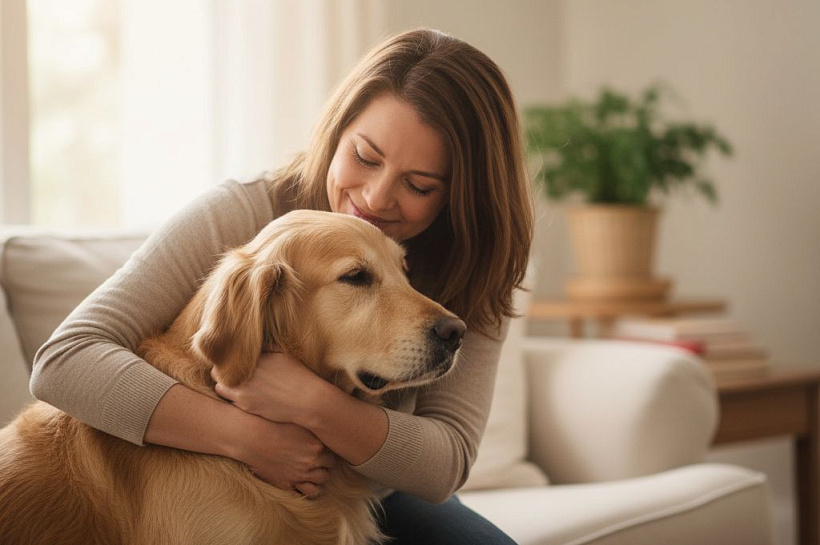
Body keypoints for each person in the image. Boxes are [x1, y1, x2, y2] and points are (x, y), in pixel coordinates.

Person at [30, 28, 534, 544]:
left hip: (369, 484)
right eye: (364, 156)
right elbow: (64, 361)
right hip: (217, 447)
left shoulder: (479, 267)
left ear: (461, 195)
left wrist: (312, 404)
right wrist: (248, 438)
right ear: (337, 133)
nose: (375, 198)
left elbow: (445, 462)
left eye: (419, 185)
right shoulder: (247, 214)